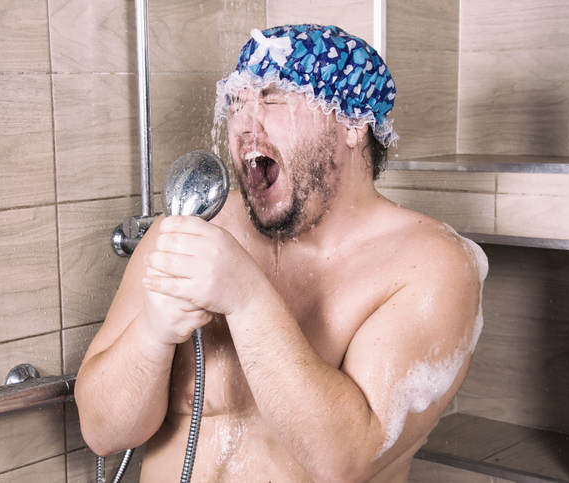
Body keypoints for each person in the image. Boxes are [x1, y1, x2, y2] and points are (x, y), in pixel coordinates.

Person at [75, 24, 488, 483]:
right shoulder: (195, 229)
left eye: (272, 99)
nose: (246, 125)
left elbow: (344, 460)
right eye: (236, 103)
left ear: (353, 122)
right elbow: (101, 431)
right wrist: (151, 332)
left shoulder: (429, 265)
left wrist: (247, 298)